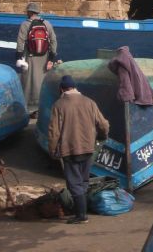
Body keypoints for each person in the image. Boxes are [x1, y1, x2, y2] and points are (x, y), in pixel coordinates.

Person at [47, 74, 109, 225]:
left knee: (74, 183)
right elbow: (104, 124)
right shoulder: (90, 102)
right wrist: (101, 137)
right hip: (88, 148)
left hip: (70, 149)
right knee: (84, 180)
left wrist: (52, 150)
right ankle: (81, 209)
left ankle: (81, 215)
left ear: (61, 89)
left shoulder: (59, 105)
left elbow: (54, 132)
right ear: (75, 87)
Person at [16, 2, 58, 114]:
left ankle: (27, 108)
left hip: (29, 57)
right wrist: (51, 58)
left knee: (27, 81)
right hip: (44, 57)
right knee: (41, 82)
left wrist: (19, 57)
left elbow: (20, 42)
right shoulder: (47, 24)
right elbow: (53, 41)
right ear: (38, 12)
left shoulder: (25, 24)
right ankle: (40, 107)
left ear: (29, 12)